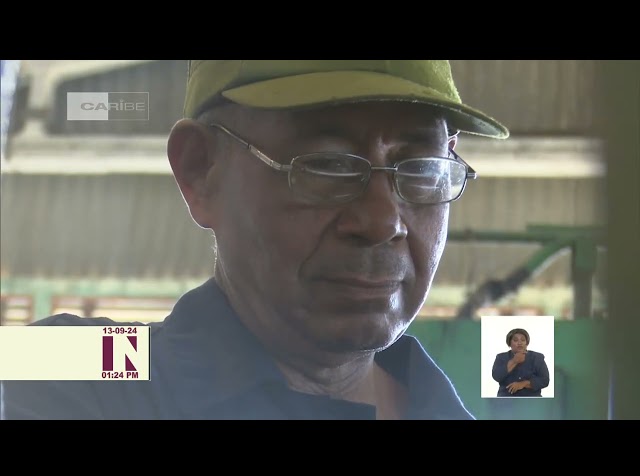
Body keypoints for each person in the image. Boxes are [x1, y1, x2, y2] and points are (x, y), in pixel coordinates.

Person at [1, 60, 509, 420]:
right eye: (328, 165)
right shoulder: (67, 365)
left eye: (420, 168)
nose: (383, 221)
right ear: (201, 172)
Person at [491, 328, 550, 397]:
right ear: (509, 343)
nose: (520, 343)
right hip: (506, 399)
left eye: (523, 340)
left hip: (532, 398)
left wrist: (524, 384)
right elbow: (497, 376)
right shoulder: (501, 357)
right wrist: (514, 361)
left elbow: (545, 380)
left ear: (526, 343)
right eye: (515, 340)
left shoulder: (537, 357)